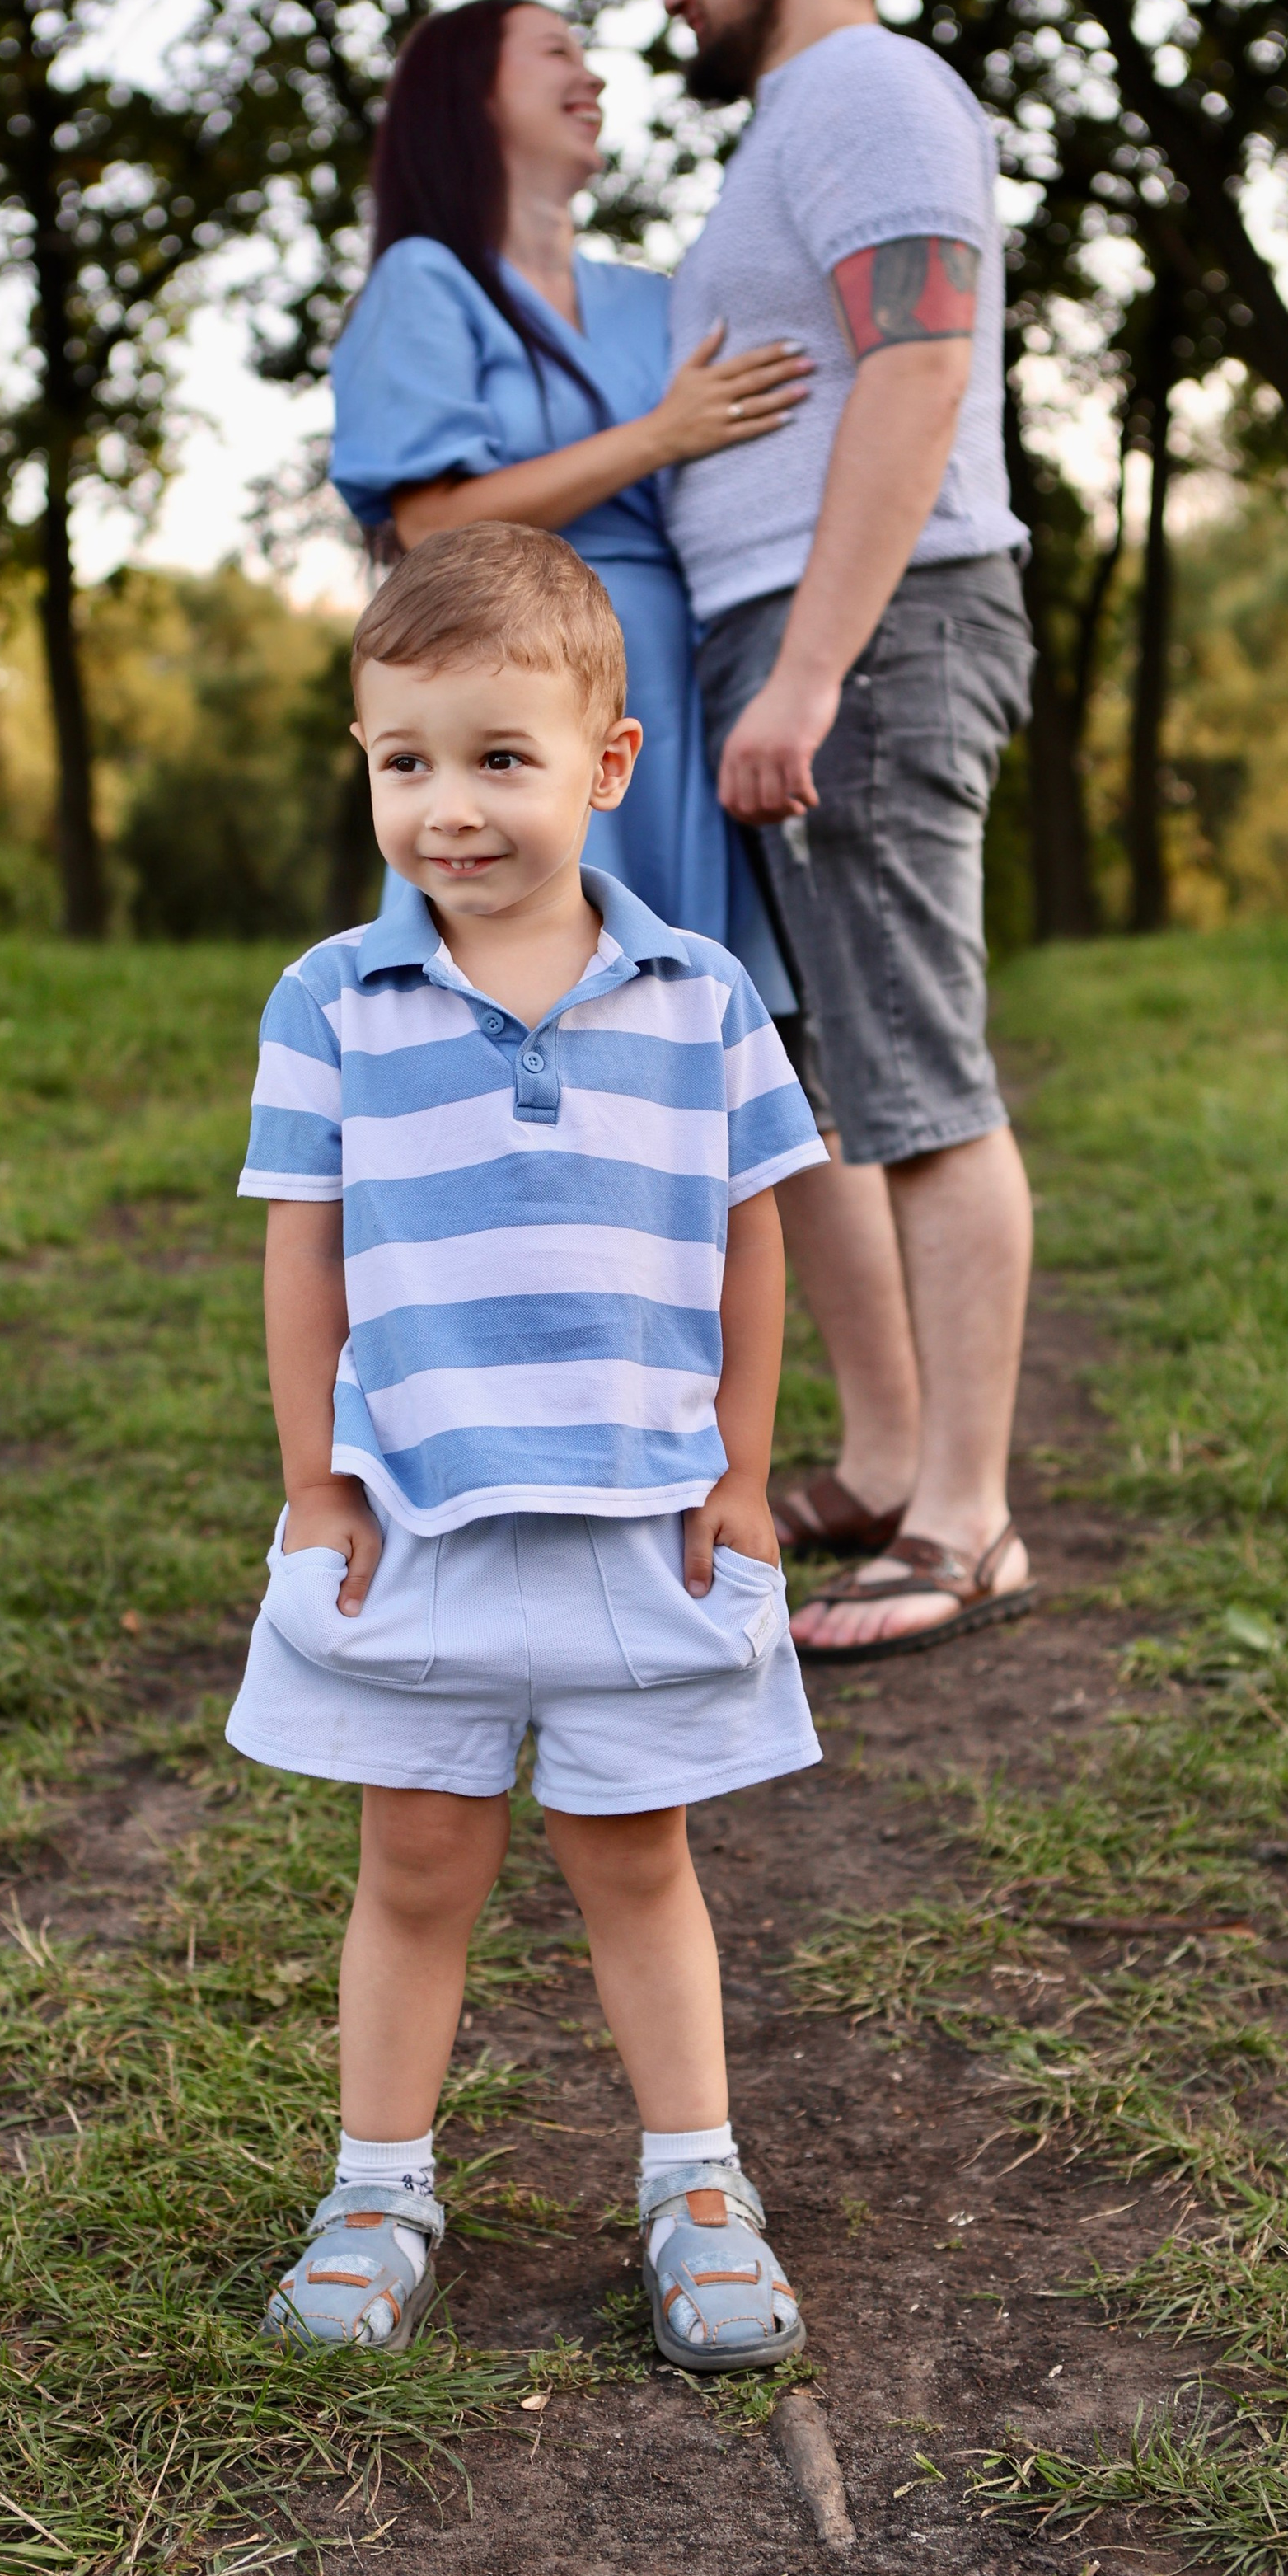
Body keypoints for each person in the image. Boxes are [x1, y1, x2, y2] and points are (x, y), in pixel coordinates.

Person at [230, 519, 827, 2366]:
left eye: (500, 757)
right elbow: (301, 1244)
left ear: (606, 764)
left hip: (637, 1514)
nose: (450, 808)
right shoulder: (335, 998)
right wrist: (318, 1480)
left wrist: (740, 1468)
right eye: (406, 761)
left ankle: (696, 2182)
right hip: (414, 1513)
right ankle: (376, 2182)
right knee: (414, 1858)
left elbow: (751, 1238)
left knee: (630, 1852)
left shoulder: (700, 999)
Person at [662, 0, 1041, 1662]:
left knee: (914, 1075)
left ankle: (966, 1522)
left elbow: (916, 365)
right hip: (811, 641)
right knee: (842, 1075)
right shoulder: (799, 123)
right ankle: (890, 1462)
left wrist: (810, 671)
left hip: (870, 643)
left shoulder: (870, 89)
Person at [328, 0, 806, 1013]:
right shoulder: (429, 281)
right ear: (474, 99)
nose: (589, 80)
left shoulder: (656, 298)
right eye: (555, 54)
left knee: (701, 1026)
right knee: (535, 1007)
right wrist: (658, 436)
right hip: (520, 681)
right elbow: (432, 526)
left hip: (674, 683)